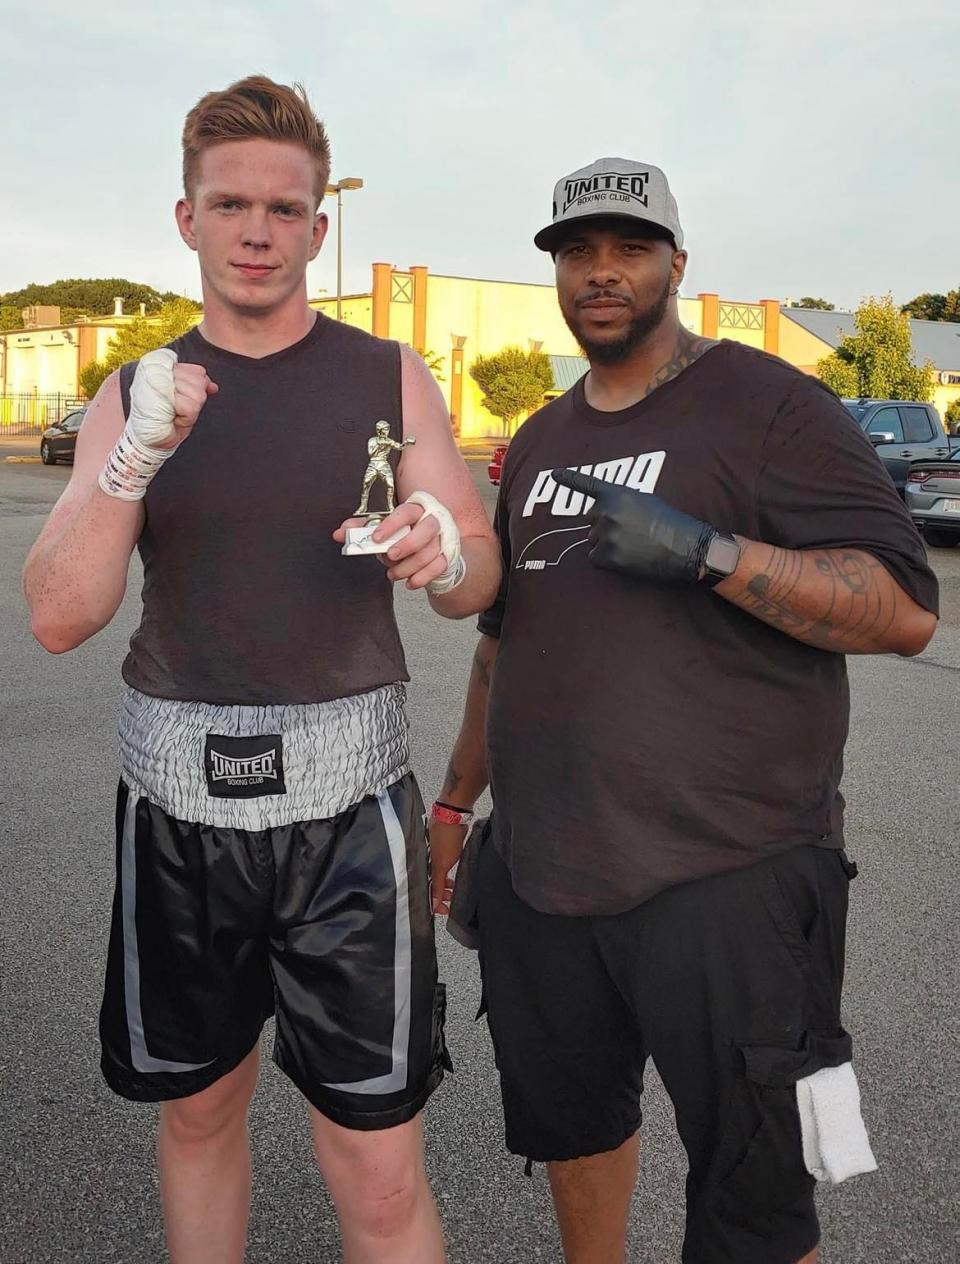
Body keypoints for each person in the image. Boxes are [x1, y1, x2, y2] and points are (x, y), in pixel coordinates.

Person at [23, 75, 500, 1264]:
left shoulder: (388, 375)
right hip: (178, 809)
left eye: (283, 210)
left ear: (317, 227)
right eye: (228, 203)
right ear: (185, 218)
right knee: (198, 1110)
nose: (255, 230)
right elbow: (57, 618)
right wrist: (134, 457)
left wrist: (446, 547)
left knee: (380, 1164)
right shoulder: (131, 395)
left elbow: (480, 576)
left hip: (350, 820)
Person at [430, 157, 939, 1264]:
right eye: (576, 252)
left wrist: (709, 552)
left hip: (733, 876)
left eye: (627, 248)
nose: (599, 273)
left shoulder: (769, 406)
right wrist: (459, 802)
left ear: (676, 263)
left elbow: (903, 612)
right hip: (547, 871)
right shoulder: (546, 438)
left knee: (759, 1190)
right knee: (573, 1130)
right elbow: (502, 639)